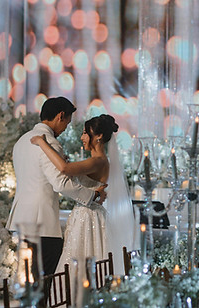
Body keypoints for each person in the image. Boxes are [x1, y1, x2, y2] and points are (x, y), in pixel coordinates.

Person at [6, 97, 108, 277]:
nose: (65, 128)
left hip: (21, 219)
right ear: (60, 116)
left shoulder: (22, 141)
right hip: (41, 222)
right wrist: (92, 196)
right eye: (67, 123)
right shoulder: (50, 143)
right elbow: (60, 183)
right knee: (45, 280)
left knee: (32, 278)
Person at [30, 114, 136, 280]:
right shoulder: (96, 161)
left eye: (86, 133)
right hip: (86, 215)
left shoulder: (98, 161)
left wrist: (42, 143)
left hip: (88, 218)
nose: (82, 137)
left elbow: (65, 169)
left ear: (99, 136)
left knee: (82, 260)